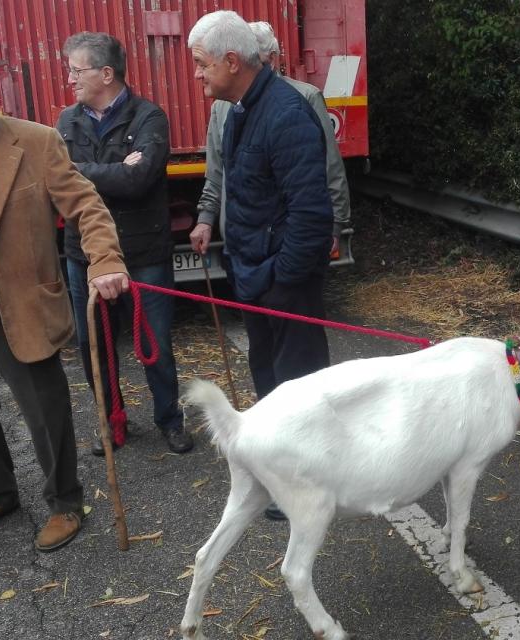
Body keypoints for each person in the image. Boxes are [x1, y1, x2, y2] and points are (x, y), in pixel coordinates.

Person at [0, 30, 130, 550]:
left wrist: (105, 261)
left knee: (46, 412)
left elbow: (87, 206)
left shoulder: (36, 141)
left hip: (21, 304)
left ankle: (66, 500)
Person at [187, 11, 334, 519]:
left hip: (280, 282)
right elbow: (240, 192)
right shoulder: (239, 110)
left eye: (203, 64)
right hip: (251, 272)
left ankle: (305, 483)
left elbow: (313, 216)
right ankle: (278, 470)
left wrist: (278, 279)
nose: (198, 74)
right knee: (268, 375)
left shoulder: (287, 113)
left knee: (299, 381)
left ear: (232, 61)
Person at [56, 32, 193, 456]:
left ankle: (169, 420)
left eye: (77, 71)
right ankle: (112, 421)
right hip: (85, 254)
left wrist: (82, 169)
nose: (70, 80)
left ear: (106, 73)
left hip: (144, 254)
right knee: (93, 344)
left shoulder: (149, 116)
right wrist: (112, 168)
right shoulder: (68, 120)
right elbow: (60, 181)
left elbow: (139, 181)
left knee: (155, 344)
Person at [190, 21, 351, 259]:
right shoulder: (222, 108)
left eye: (257, 59)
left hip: (284, 247)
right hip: (241, 245)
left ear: (272, 58)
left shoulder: (304, 98)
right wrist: (206, 218)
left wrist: (336, 223)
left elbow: (329, 167)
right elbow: (217, 171)